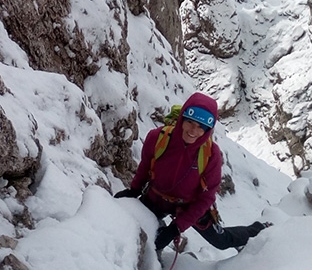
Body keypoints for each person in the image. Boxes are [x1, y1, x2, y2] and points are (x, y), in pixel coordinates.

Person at [116, 92, 271, 255]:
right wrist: (134, 190)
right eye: (190, 122)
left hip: (189, 206)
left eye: (201, 127)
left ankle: (257, 230)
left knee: (222, 241)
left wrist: (175, 229)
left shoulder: (211, 155)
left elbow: (207, 197)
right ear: (182, 118)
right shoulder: (158, 138)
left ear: (208, 130)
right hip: (156, 197)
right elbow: (145, 167)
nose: (193, 131)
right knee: (134, 226)